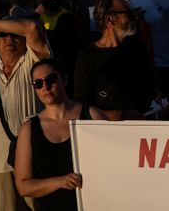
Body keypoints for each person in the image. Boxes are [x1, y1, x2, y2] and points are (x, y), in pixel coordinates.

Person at [0, 9, 51, 211]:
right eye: (2, 35)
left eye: (14, 34)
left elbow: (32, 28)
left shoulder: (34, 64)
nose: (9, 39)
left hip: (36, 163)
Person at [14, 59, 106, 210]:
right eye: (38, 83)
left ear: (64, 79)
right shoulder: (29, 129)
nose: (45, 86)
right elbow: (24, 186)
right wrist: (60, 181)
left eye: (51, 79)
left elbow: (115, 161)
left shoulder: (92, 114)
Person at [74, 0, 155, 120]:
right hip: (109, 133)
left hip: (143, 129)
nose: (134, 18)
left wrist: (161, 102)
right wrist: (118, 115)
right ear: (109, 19)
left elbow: (150, 86)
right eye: (128, 14)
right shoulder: (87, 58)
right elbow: (82, 106)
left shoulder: (137, 47)